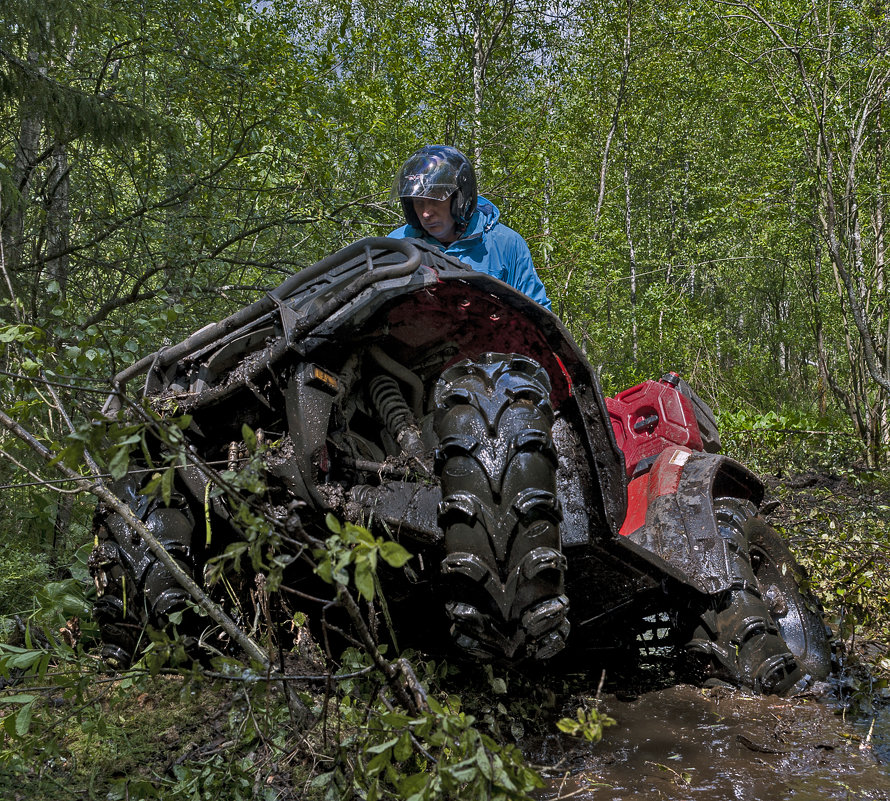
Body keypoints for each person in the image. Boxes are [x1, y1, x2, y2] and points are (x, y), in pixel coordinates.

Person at [388, 145, 552, 310]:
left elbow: (537, 312)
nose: (426, 213)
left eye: (435, 199)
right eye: (418, 202)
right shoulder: (397, 245)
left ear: (460, 199)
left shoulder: (505, 244)